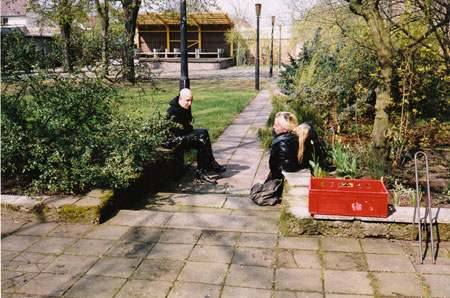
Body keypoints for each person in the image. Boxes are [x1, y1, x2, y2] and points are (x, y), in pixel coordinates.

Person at [164, 88, 226, 184]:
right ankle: (209, 166)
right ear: (180, 99)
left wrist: (190, 133)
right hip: (171, 140)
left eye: (191, 100)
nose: (190, 103)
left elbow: (187, 127)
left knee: (203, 134)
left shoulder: (185, 107)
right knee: (202, 138)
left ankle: (203, 171)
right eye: (188, 100)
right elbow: (174, 134)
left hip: (181, 136)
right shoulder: (173, 111)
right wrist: (191, 134)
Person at [266, 111, 322, 181]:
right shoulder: (303, 135)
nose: (274, 127)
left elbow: (284, 168)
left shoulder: (281, 143)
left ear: (285, 129)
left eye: (276, 125)